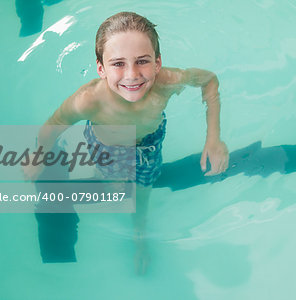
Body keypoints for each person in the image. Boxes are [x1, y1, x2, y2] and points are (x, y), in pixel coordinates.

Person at [23, 11, 229, 274]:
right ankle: (112, 181)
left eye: (142, 61)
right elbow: (53, 126)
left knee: (142, 191)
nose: (132, 75)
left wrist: (213, 138)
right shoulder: (88, 101)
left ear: (157, 63)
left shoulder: (167, 82)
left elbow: (209, 81)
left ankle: (139, 235)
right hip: (107, 144)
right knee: (116, 184)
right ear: (101, 69)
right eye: (118, 64)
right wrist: (38, 155)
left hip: (149, 143)